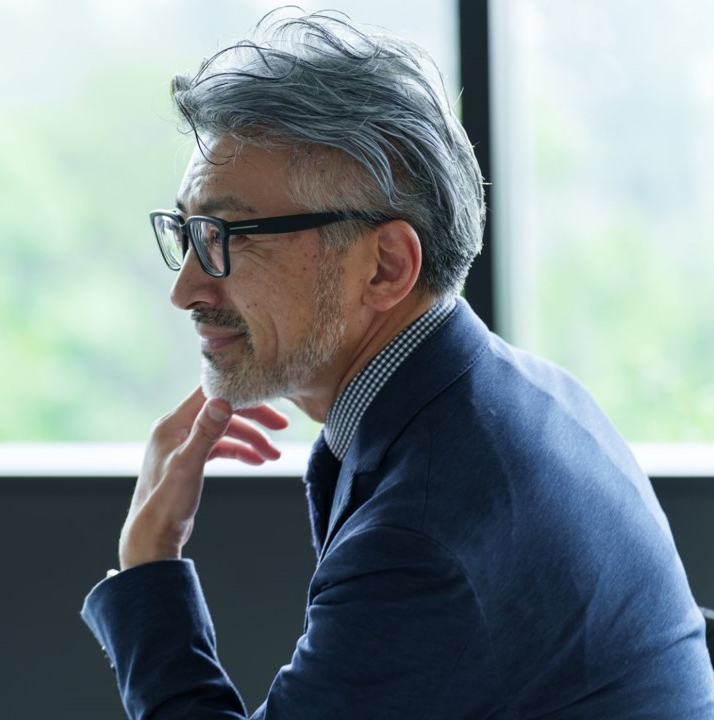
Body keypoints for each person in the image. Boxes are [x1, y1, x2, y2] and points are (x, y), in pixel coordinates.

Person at [80, 11, 714, 718]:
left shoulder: (425, 533)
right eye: (190, 231)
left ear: (386, 266)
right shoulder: (527, 393)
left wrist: (149, 567)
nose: (185, 288)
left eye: (227, 235)